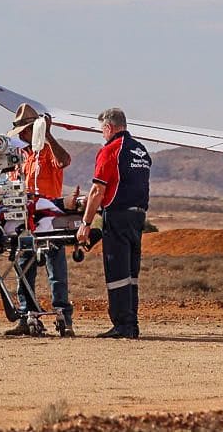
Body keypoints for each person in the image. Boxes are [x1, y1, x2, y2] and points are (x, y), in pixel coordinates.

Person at [75, 105, 151, 338]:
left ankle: (122, 325)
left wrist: (86, 223)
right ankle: (132, 322)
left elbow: (98, 189)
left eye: (102, 130)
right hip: (138, 217)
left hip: (117, 216)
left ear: (108, 128)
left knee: (117, 269)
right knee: (131, 272)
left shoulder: (110, 150)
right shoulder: (140, 150)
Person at [9, 104, 74, 336]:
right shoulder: (21, 156)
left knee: (55, 271)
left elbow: (64, 160)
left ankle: (63, 317)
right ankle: (27, 316)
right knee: (24, 268)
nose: (24, 136)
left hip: (49, 217)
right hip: (26, 218)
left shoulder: (48, 150)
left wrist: (47, 134)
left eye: (26, 131)